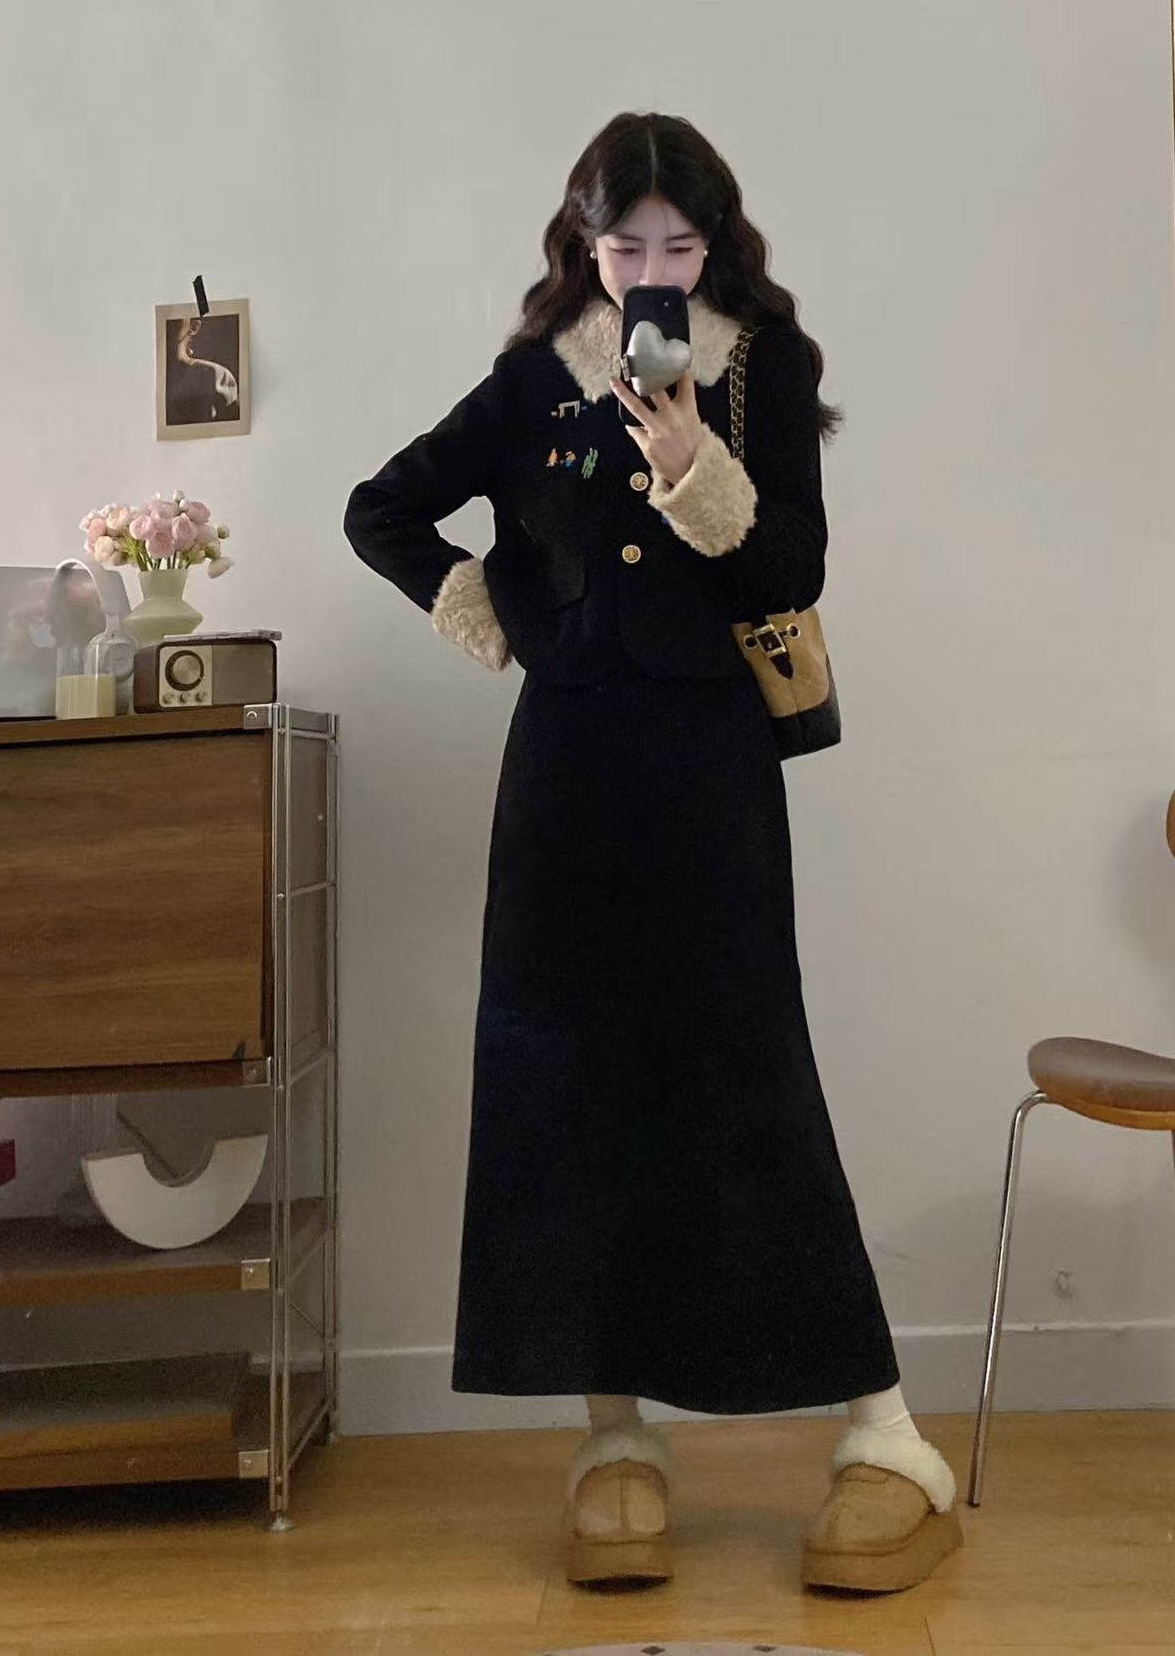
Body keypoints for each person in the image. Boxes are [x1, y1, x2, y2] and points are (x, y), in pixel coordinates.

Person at [343, 111, 963, 1596]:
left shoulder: (763, 365)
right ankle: (615, 1439)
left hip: (709, 773)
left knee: (750, 1075)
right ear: (585, 242)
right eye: (626, 247)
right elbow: (381, 511)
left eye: (679, 246)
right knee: (566, 1088)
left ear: (715, 241)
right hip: (562, 779)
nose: (653, 272)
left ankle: (886, 1436)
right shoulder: (531, 382)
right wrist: (486, 610)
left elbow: (793, 568)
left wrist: (697, 471)